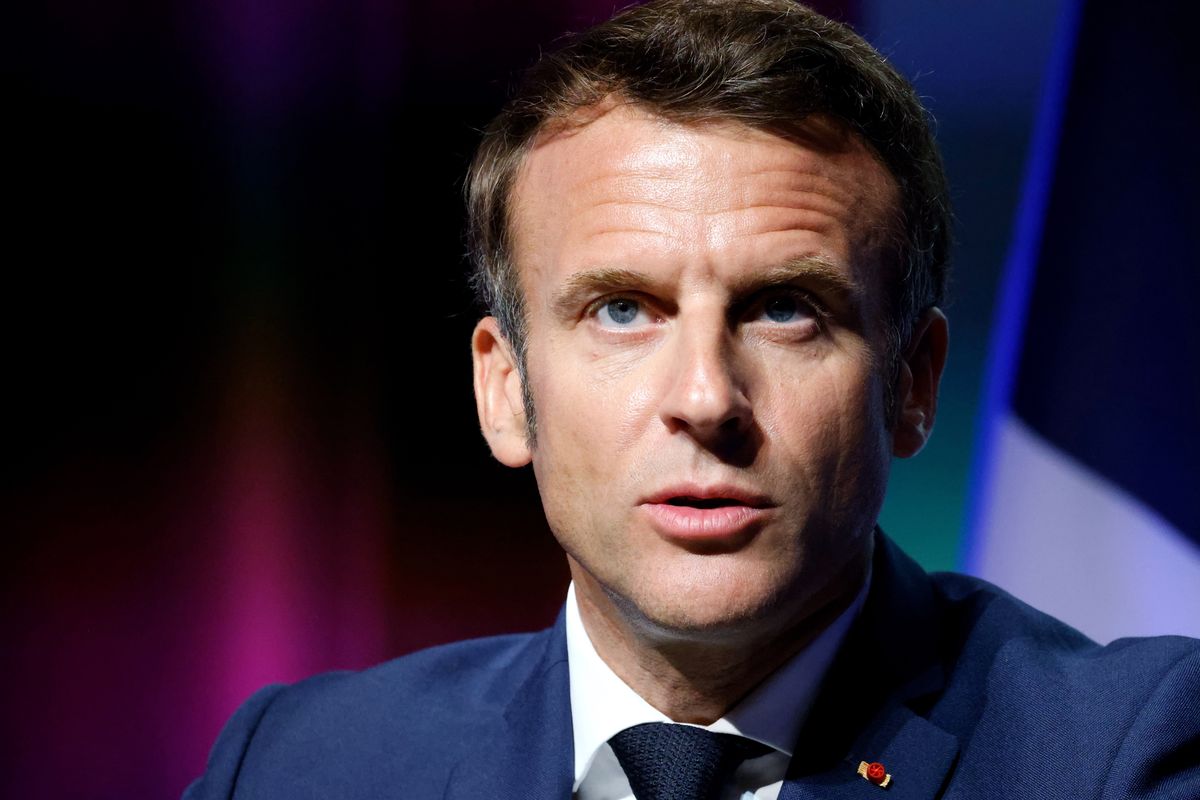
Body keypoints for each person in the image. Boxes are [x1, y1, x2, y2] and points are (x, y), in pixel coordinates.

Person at [185, 2, 1200, 798]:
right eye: (623, 309)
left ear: (912, 384)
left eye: (785, 309)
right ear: (504, 387)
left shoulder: (1124, 754)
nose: (707, 398)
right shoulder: (296, 765)